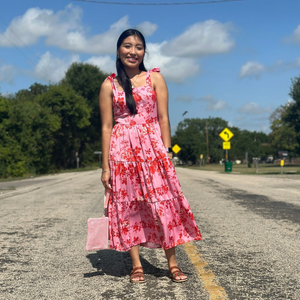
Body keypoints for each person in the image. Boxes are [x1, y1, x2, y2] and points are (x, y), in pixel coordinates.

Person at [99, 28, 202, 284]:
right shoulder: (108, 85)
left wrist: (167, 153)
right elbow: (106, 127)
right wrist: (105, 167)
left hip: (154, 150)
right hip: (122, 153)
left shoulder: (155, 79)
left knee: (162, 203)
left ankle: (173, 263)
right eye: (127, 46)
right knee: (129, 206)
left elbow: (164, 118)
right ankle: (136, 265)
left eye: (138, 47)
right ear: (118, 50)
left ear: (144, 52)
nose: (133, 51)